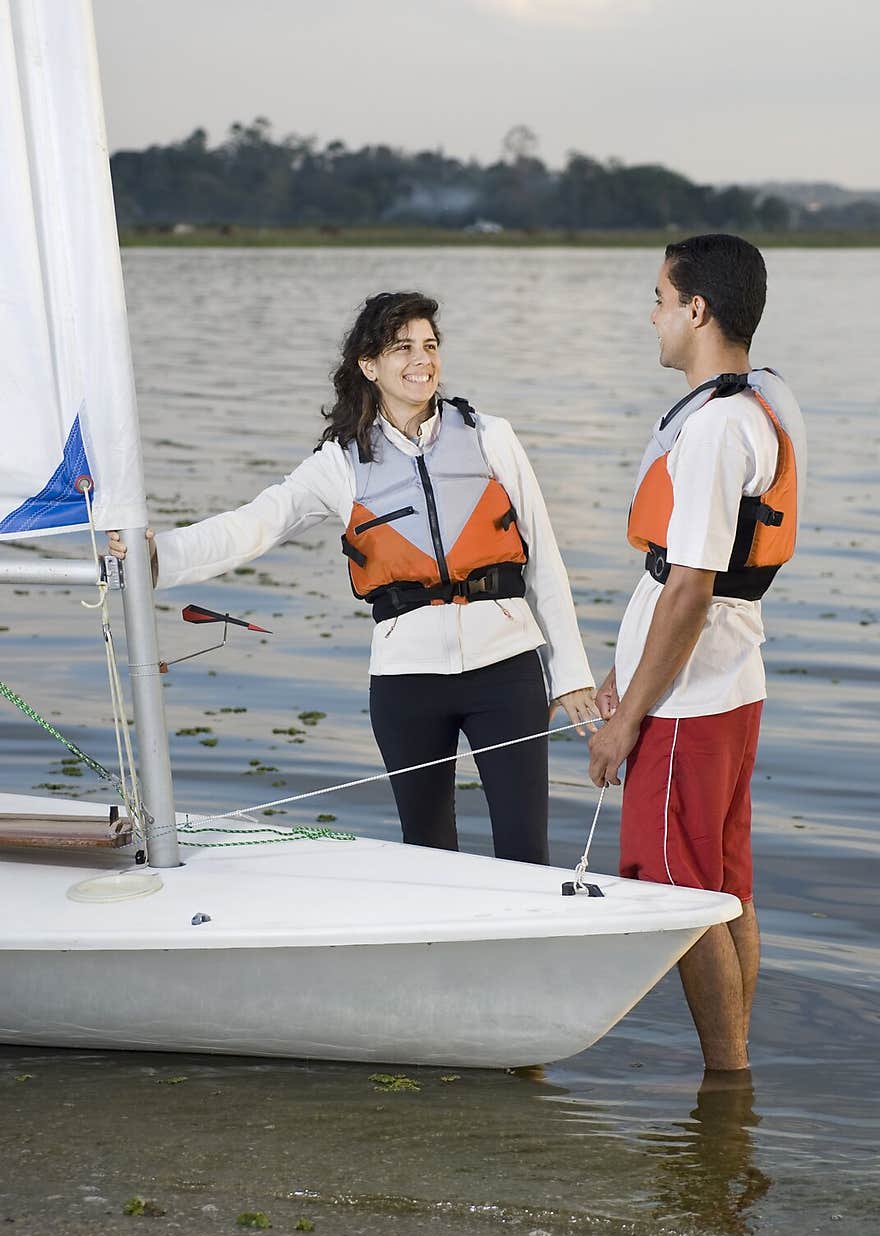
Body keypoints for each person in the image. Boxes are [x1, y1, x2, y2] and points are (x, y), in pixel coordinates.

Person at [108, 290, 598, 864]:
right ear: (369, 366)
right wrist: (156, 556)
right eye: (403, 348)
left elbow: (543, 558)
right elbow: (255, 525)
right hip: (406, 682)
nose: (423, 360)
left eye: (430, 346)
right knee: (429, 853)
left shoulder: (491, 436)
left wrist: (570, 675)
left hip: (506, 671)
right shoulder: (339, 464)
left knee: (525, 852)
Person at [588, 234, 807, 1072]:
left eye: (658, 297)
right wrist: (625, 665)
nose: (651, 317)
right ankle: (734, 1076)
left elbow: (689, 589)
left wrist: (625, 720)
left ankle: (727, 1083)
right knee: (726, 887)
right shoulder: (752, 407)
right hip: (727, 686)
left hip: (687, 704)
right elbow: (682, 590)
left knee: (678, 895)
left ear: (697, 310)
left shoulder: (717, 427)